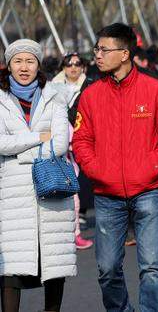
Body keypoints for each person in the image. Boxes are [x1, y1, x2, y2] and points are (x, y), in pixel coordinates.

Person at [73, 23, 158, 312]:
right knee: (107, 270)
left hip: (148, 191)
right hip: (107, 195)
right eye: (96, 49)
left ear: (124, 53)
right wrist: (97, 170)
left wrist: (149, 168)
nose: (97, 54)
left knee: (151, 268)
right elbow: (81, 139)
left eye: (103, 49)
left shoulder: (157, 90)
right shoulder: (91, 95)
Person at [0, 39, 77, 312]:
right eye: (18, 61)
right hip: (12, 194)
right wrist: (36, 138)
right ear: (9, 65)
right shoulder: (0, 98)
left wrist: (19, 151)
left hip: (51, 188)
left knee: (53, 261)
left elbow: (59, 144)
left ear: (38, 65)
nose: (24, 67)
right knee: (11, 269)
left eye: (30, 61)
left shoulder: (54, 96)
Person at [51, 53, 94, 250]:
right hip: (56, 149)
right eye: (69, 64)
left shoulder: (90, 85)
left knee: (76, 194)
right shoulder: (51, 88)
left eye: (78, 64)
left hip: (81, 144)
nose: (73, 67)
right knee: (58, 196)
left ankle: (75, 234)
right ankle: (63, 237)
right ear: (63, 67)